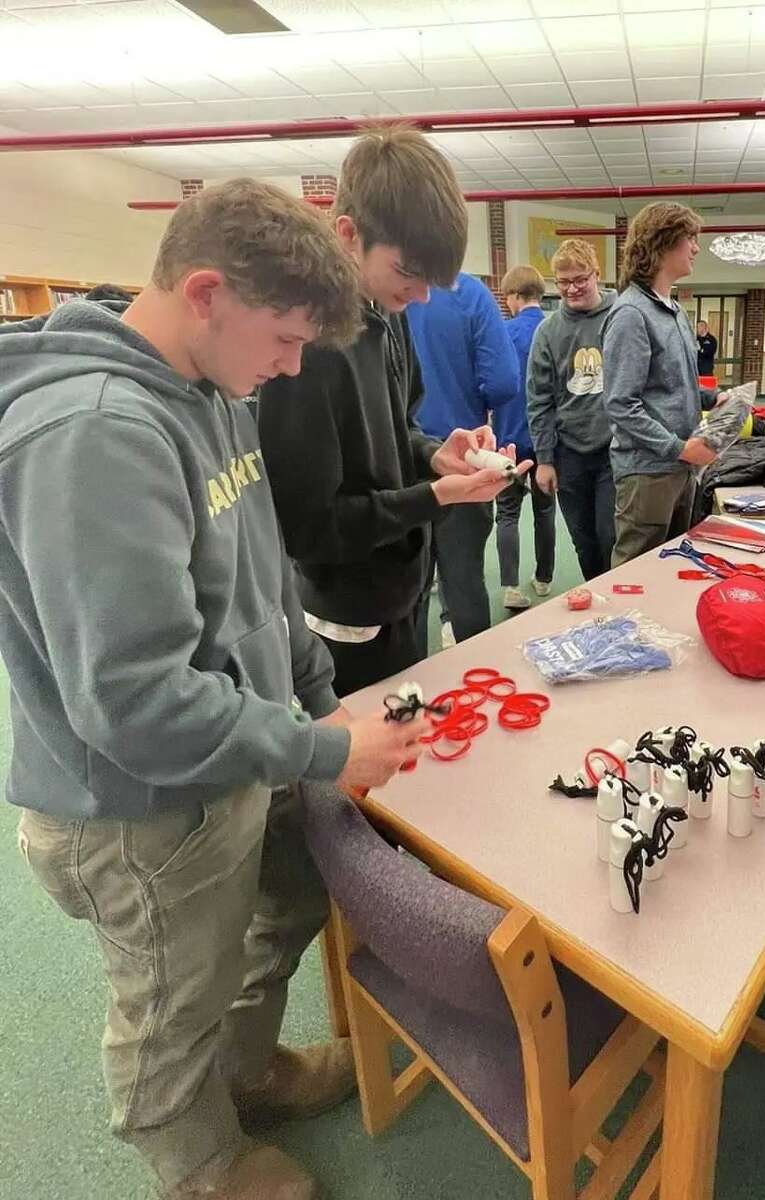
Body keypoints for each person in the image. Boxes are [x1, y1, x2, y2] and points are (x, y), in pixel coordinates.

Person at [0, 178, 433, 1200]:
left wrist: (321, 697)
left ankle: (249, 1073)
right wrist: (327, 751)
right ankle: (195, 1163)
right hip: (137, 807)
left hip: (236, 751)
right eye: (284, 339)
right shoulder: (97, 434)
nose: (292, 366)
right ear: (204, 293)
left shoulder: (210, 387)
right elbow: (135, 702)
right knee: (168, 1001)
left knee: (275, 911)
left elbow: (259, 566)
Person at [257, 128, 523, 697]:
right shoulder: (304, 347)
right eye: (409, 273)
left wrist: (435, 455)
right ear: (349, 235)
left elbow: (401, 427)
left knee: (409, 747)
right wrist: (432, 498)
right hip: (348, 615)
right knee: (360, 777)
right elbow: (309, 530)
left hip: (402, 584)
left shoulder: (386, 310)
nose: (422, 295)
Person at [406, 271, 522, 647]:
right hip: (462, 452)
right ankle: (475, 687)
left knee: (404, 586)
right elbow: (504, 380)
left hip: (395, 458)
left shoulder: (377, 294)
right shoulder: (468, 292)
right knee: (464, 576)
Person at [604, 202, 720, 565]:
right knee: (635, 575)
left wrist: (715, 398)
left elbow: (675, 384)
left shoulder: (674, 310)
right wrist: (680, 448)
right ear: (663, 242)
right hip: (648, 472)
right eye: (690, 238)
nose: (696, 248)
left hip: (679, 467)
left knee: (673, 565)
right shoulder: (631, 313)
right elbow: (622, 404)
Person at [526, 238, 618, 580]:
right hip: (569, 453)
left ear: (597, 274)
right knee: (583, 540)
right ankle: (597, 601)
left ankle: (616, 604)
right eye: (563, 282)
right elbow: (539, 399)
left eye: (581, 279)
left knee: (611, 535)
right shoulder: (547, 332)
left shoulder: (622, 315)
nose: (573, 288)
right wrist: (545, 460)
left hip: (615, 449)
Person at [495, 264, 555, 609]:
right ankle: (544, 579)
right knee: (545, 511)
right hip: (547, 439)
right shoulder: (555, 330)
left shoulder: (503, 333)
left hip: (509, 438)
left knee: (507, 513)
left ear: (515, 297)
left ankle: (510, 586)